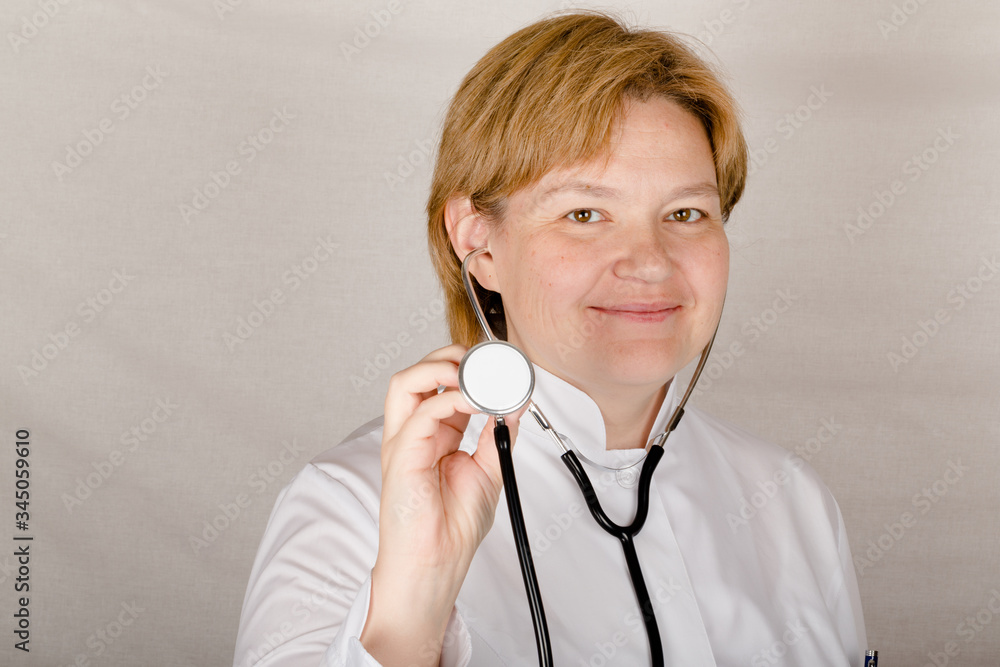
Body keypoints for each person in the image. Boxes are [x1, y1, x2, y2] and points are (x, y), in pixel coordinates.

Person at [234, 11, 867, 666]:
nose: (650, 261)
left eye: (685, 212)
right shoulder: (350, 506)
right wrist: (412, 602)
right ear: (477, 242)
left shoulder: (791, 500)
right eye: (585, 213)